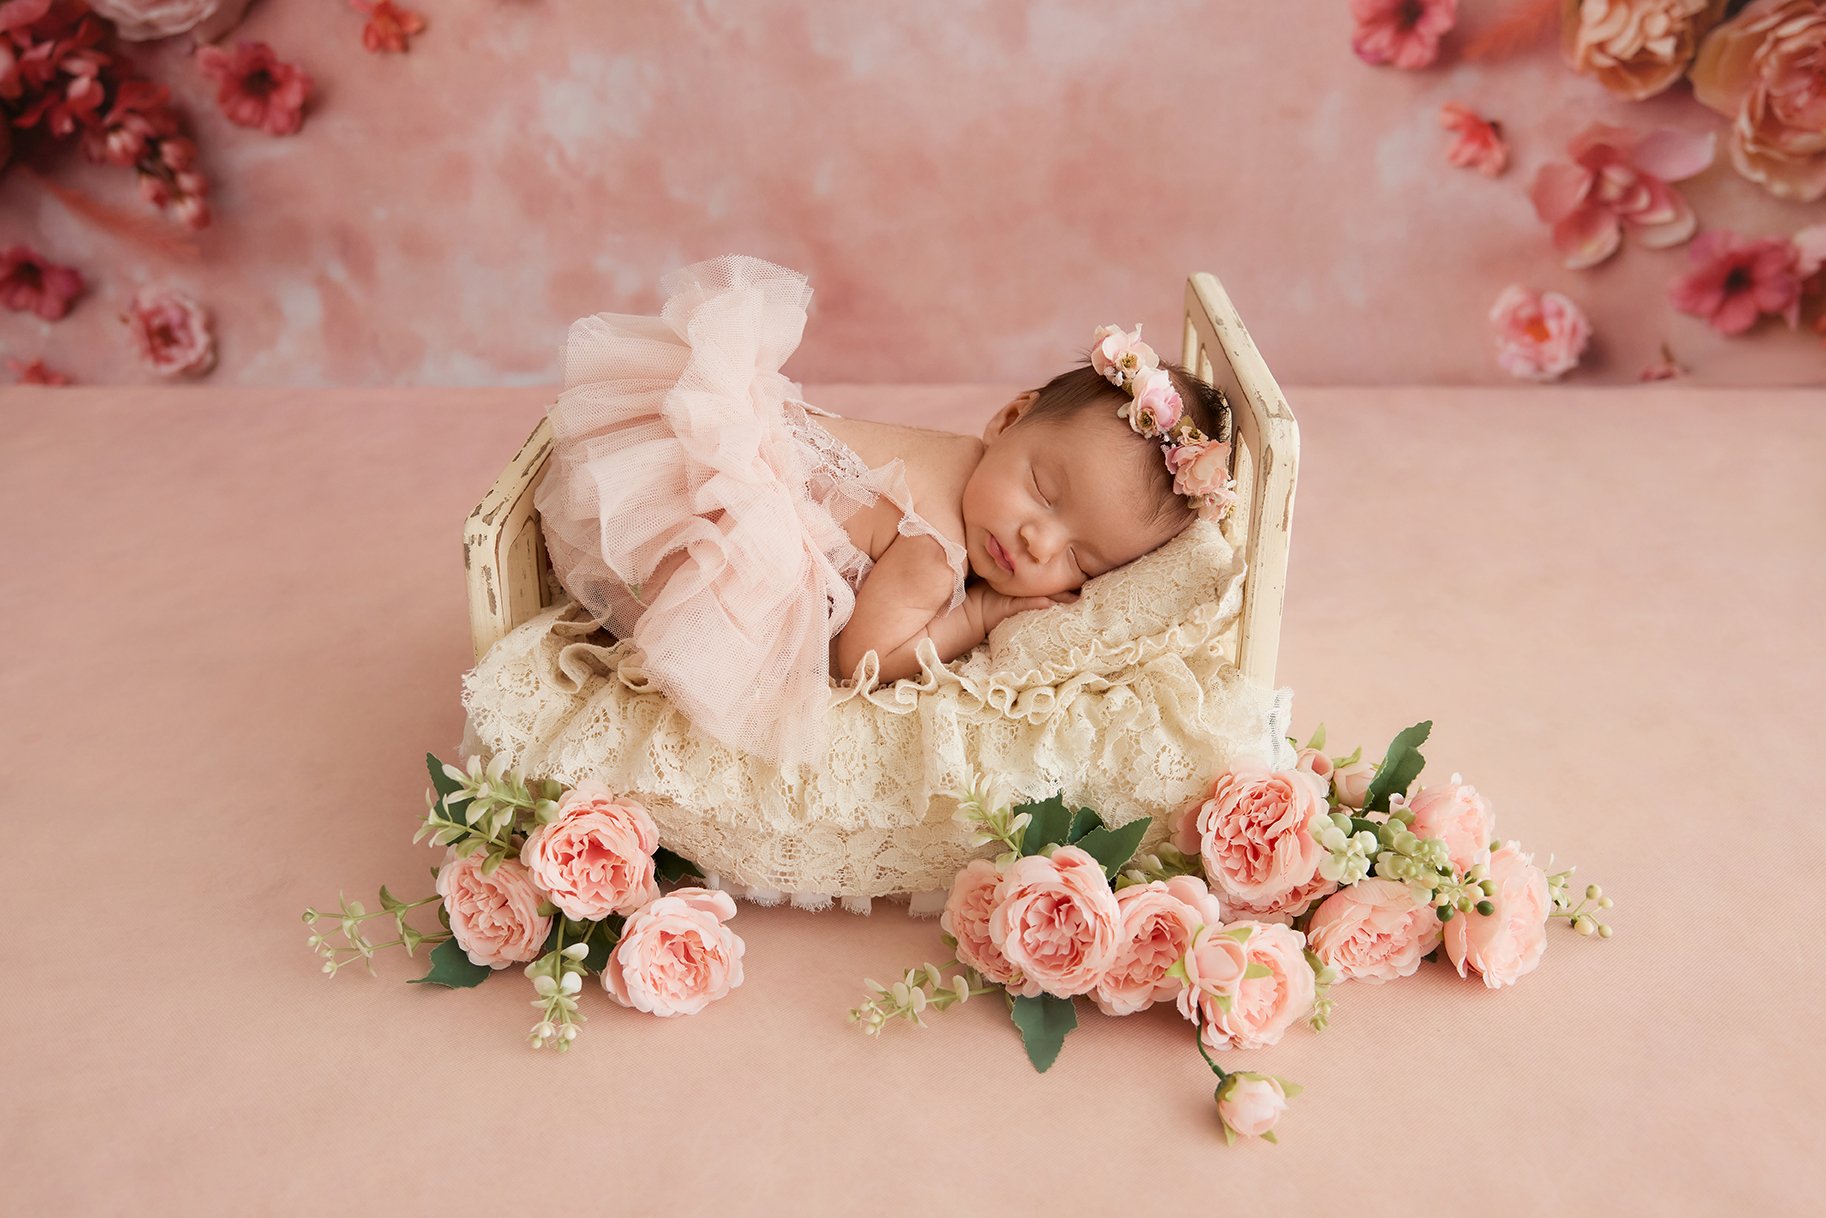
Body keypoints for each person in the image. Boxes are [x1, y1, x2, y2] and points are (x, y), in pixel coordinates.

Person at [534, 254, 1236, 768]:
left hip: (724, 439)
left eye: (1080, 559)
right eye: (1046, 492)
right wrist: (979, 616)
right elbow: (860, 655)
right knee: (707, 624)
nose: (1036, 539)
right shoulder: (936, 555)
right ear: (1011, 417)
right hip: (719, 517)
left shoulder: (970, 457)